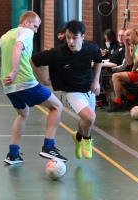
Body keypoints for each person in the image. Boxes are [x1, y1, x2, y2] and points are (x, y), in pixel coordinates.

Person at [0, 11, 67, 165]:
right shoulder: (26, 32)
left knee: (23, 113)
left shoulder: (5, 36)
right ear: (27, 23)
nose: (35, 31)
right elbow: (17, 47)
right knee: (57, 106)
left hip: (8, 87)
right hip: (25, 82)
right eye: (35, 26)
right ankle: (49, 147)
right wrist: (14, 71)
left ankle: (13, 154)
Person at [30, 20, 102, 159]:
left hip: (88, 87)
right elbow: (33, 60)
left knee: (86, 120)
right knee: (90, 117)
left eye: (74, 38)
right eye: (68, 37)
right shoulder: (58, 53)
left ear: (83, 37)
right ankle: (87, 140)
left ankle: (78, 136)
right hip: (71, 90)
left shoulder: (91, 47)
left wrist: (96, 81)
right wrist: (44, 79)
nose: (71, 41)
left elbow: (98, 59)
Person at [106, 28, 138, 112]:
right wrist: (126, 46)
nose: (126, 38)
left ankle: (118, 102)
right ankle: (130, 97)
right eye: (125, 36)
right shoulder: (133, 46)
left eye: (128, 35)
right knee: (111, 80)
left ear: (135, 35)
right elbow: (129, 62)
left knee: (115, 76)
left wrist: (133, 69)